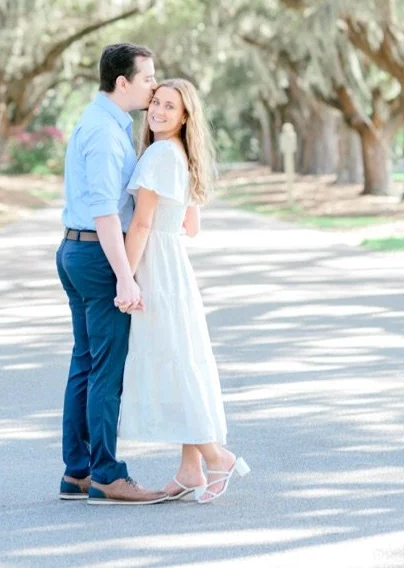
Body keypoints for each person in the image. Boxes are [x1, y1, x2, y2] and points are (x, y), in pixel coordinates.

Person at [118, 79, 250, 504]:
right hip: (176, 267)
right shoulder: (184, 157)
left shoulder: (158, 155)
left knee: (172, 364)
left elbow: (141, 224)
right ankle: (190, 468)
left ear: (184, 116)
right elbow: (191, 227)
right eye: (155, 102)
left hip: (158, 268)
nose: (157, 110)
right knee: (182, 360)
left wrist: (125, 275)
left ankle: (217, 457)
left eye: (169, 106)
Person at [55, 43, 166, 506]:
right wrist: (125, 276)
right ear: (122, 83)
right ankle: (105, 473)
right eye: (147, 80)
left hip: (78, 251)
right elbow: (104, 211)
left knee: (85, 362)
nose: (154, 87)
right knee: (105, 369)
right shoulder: (104, 131)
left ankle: (77, 472)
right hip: (98, 255)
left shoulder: (104, 122)